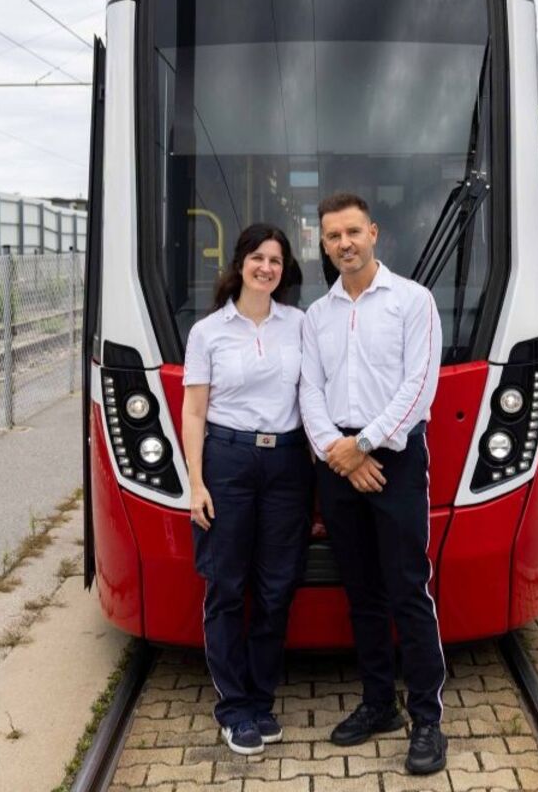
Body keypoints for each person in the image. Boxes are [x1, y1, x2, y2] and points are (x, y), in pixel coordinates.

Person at [297, 192, 449, 776]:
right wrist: (337, 452)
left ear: (374, 233)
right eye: (333, 236)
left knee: (408, 588)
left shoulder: (413, 301)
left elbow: (420, 386)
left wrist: (362, 444)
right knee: (361, 591)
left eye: (353, 232)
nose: (345, 244)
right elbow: (309, 390)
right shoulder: (317, 315)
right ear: (324, 243)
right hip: (337, 462)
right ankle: (379, 704)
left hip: (395, 460)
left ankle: (427, 719)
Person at [180, 222, 311, 756]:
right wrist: (196, 484)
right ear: (240, 264)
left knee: (277, 588)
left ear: (284, 270)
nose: (266, 268)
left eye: (275, 260)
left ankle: (260, 699)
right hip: (228, 462)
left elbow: (312, 396)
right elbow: (194, 411)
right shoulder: (208, 332)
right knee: (227, 587)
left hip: (287, 464)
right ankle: (233, 707)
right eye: (258, 258)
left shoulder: (299, 324)